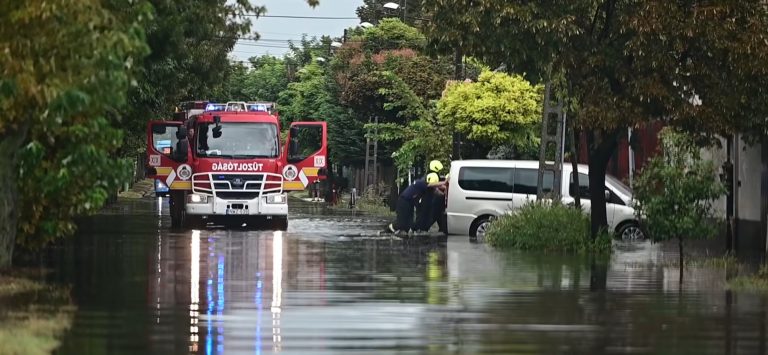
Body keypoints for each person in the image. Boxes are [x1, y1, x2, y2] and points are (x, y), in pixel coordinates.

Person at [414, 160, 445, 232]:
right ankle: (418, 229)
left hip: (422, 198)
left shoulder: (429, 175)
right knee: (425, 216)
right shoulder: (433, 175)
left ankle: (418, 229)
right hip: (425, 199)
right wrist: (443, 193)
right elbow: (434, 188)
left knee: (423, 216)